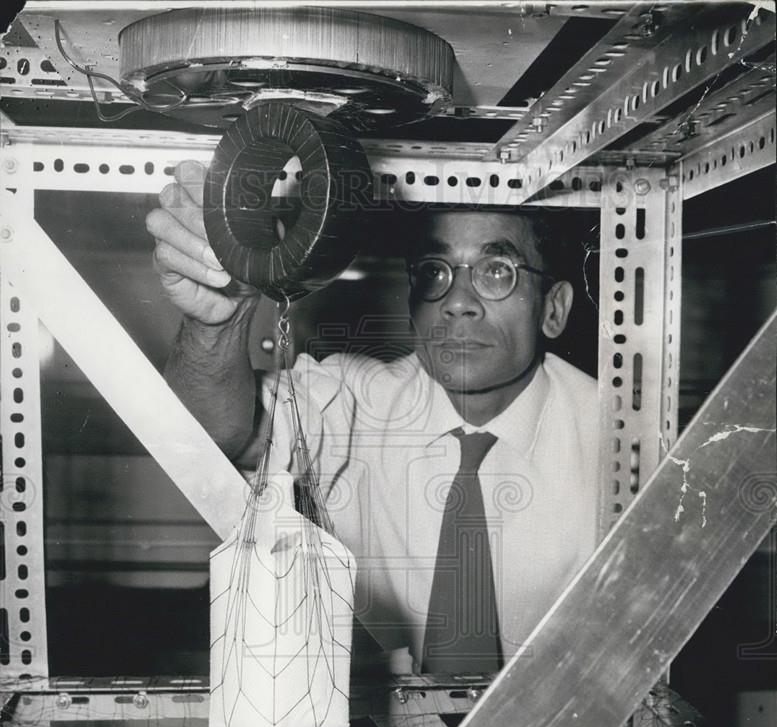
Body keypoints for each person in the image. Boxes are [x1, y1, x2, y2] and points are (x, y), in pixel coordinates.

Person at [146, 160, 598, 677]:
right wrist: (216, 323)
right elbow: (213, 438)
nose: (457, 303)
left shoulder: (619, 436)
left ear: (554, 309)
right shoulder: (361, 399)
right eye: (435, 272)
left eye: (497, 271)